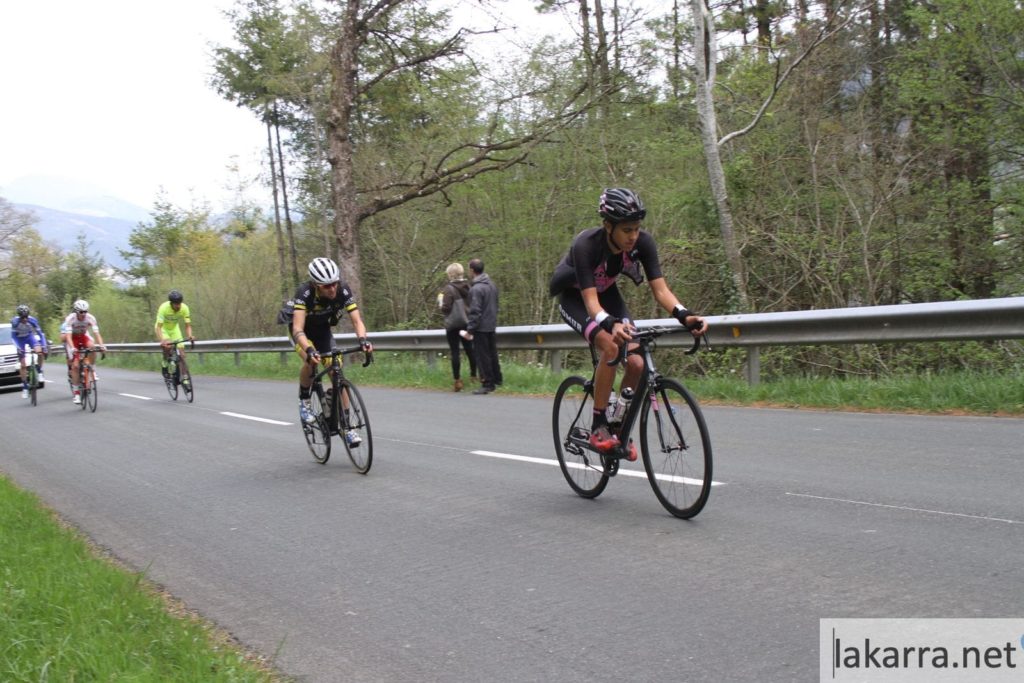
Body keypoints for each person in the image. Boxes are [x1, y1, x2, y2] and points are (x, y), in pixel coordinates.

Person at [549, 188, 708, 461]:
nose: (633, 236)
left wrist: (684, 314)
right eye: (626, 230)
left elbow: (660, 291)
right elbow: (590, 302)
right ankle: (599, 425)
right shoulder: (585, 245)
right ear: (608, 226)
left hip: (607, 295)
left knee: (636, 363)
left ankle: (618, 424)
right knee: (611, 346)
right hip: (576, 299)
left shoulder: (643, 243)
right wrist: (610, 324)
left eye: (636, 228)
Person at [289, 257, 373, 446]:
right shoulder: (304, 294)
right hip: (302, 333)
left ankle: (347, 427)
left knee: (337, 372)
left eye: (334, 283)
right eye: (327, 286)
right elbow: (297, 329)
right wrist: (309, 350)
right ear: (315, 285)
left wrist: (363, 340)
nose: (333, 289)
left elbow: (357, 321)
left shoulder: (343, 290)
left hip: (322, 331)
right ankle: (304, 401)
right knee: (311, 361)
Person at [462, 258, 502, 395]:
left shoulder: (476, 289)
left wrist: (470, 330)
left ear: (472, 270)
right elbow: (496, 305)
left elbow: (475, 311)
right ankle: (497, 379)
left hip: (480, 327)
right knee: (492, 354)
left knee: (482, 356)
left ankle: (487, 383)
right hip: (491, 324)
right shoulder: (492, 285)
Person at [437, 262, 477, 391]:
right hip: (467, 323)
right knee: (470, 349)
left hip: (453, 325)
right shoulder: (470, 286)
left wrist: (440, 304)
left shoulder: (448, 289)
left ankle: (458, 380)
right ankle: (473, 375)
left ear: (450, 274)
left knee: (455, 352)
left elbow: (446, 308)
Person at [60, 299, 106, 405]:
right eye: (81, 312)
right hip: (73, 339)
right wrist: (72, 348)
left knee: (92, 347)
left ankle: (92, 369)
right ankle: (76, 393)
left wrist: (102, 345)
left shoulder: (90, 318)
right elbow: (67, 336)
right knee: (75, 366)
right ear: (76, 312)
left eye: (86, 311)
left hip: (83, 336)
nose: (84, 314)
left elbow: (96, 333)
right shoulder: (70, 319)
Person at [155, 290, 194, 383]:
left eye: (179, 303)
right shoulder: (163, 308)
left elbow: (188, 325)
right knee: (168, 346)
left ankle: (184, 378)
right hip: (163, 328)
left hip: (174, 329)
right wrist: (162, 340)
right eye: (176, 304)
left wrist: (190, 335)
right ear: (171, 303)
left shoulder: (184, 308)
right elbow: (158, 327)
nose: (178, 306)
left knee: (182, 354)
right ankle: (165, 362)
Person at [11, 304, 47, 398]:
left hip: (29, 337)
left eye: (26, 317)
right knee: (23, 365)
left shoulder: (32, 320)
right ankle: (25, 387)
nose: (25, 319)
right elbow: (13, 337)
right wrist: (18, 347)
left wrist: (44, 345)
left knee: (40, 351)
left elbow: (40, 334)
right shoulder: (15, 322)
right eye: (23, 317)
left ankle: (39, 371)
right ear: (19, 316)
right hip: (19, 340)